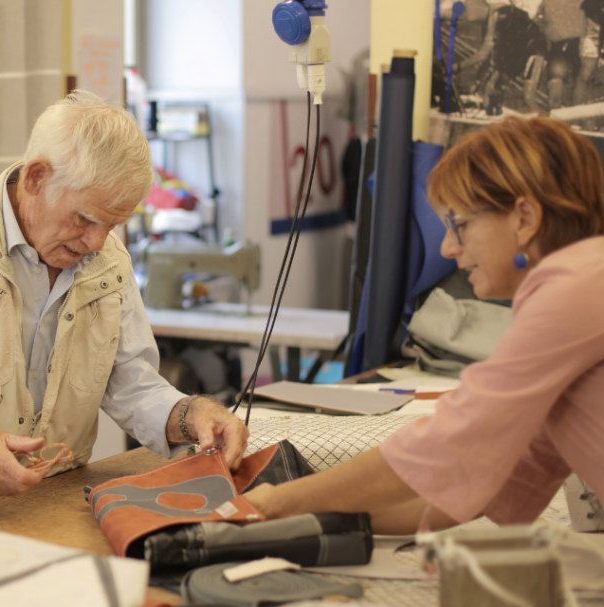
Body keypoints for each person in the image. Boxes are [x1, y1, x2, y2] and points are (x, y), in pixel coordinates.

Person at [0, 91, 249, 533]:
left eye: (112, 224)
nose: (96, 242)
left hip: (50, 512)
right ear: (36, 177)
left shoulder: (107, 259)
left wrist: (191, 416)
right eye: (85, 219)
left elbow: (130, 382)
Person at [246, 116, 604, 535]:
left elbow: (449, 442)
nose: (448, 248)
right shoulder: (581, 286)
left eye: (460, 225)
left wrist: (280, 500)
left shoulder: (575, 288)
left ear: (524, 217)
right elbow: (489, 493)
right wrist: (299, 517)